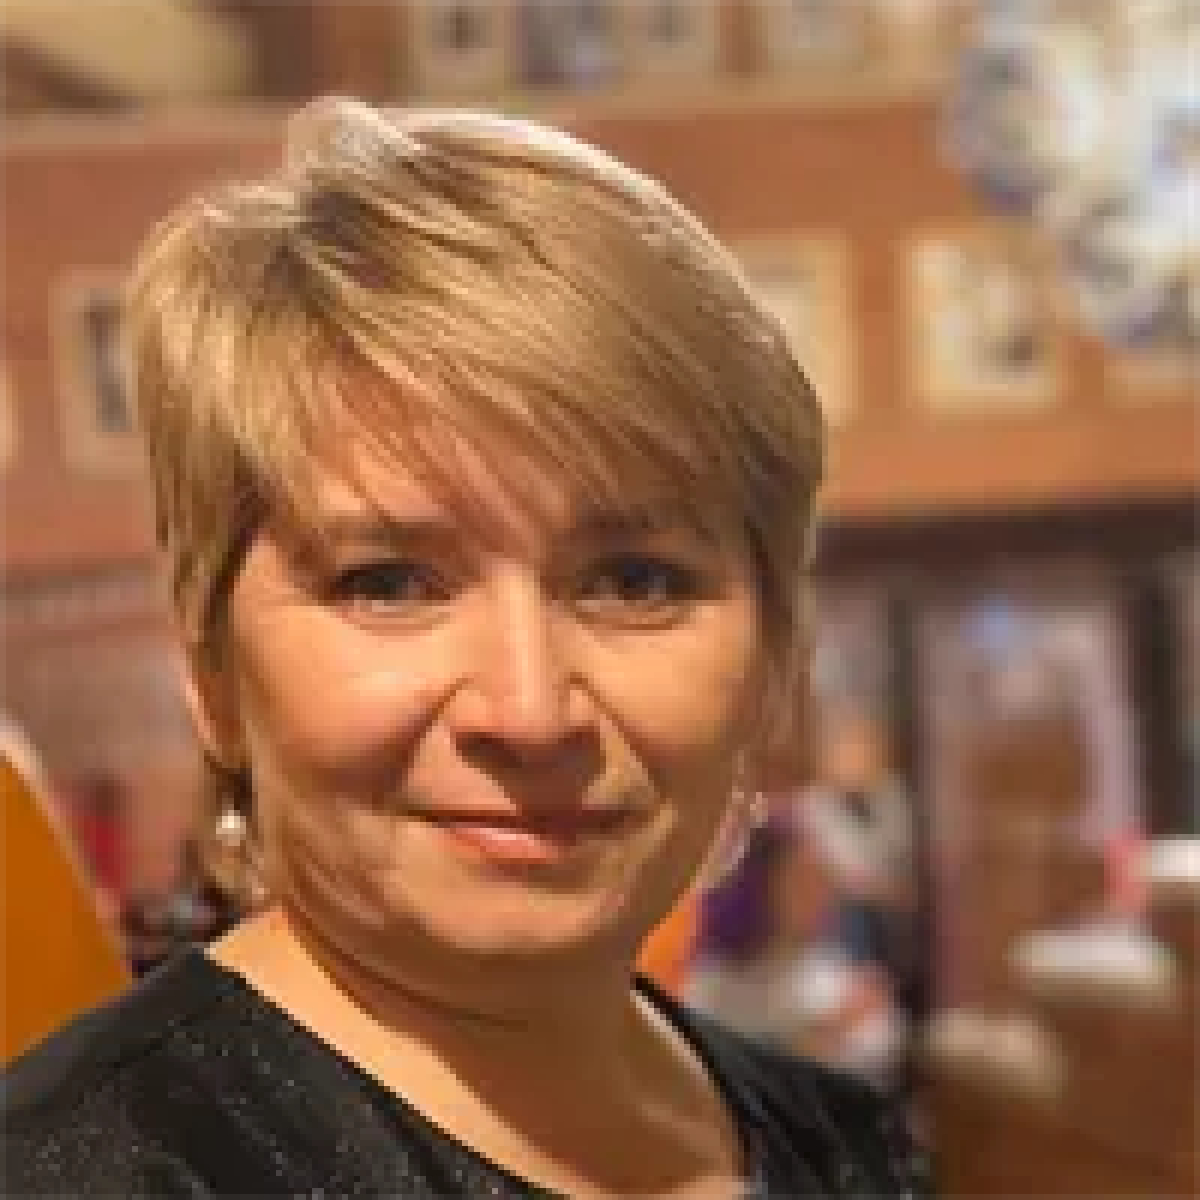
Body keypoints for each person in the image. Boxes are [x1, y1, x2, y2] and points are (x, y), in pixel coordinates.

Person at [2, 97, 929, 1197]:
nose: (528, 710)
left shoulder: (851, 1142)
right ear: (212, 671)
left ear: (774, 658)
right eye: (388, 584)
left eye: (635, 581)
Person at [687, 812, 909, 1090]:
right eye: (802, 879)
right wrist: (828, 1031)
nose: (822, 893)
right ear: (759, 885)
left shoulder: (831, 966)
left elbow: (883, 1051)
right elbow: (729, 1078)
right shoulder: (717, 982)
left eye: (823, 879)